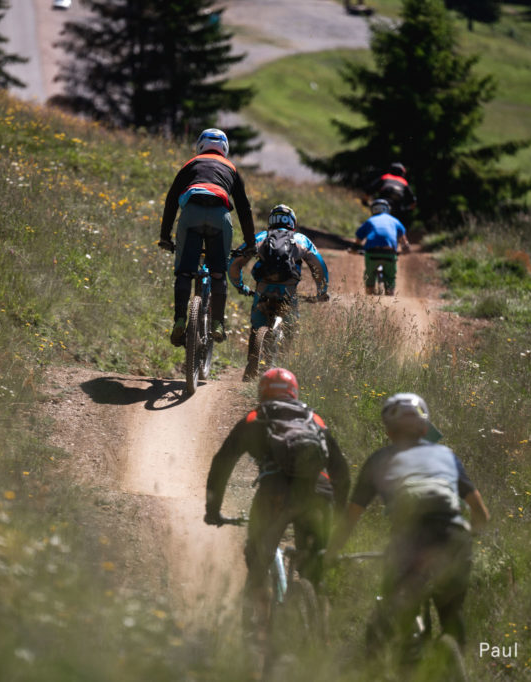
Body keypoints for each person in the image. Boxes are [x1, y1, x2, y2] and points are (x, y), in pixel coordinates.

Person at [326, 392, 489, 662]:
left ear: (389, 431)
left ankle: (381, 667)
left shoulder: (379, 460)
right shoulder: (447, 456)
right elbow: (480, 513)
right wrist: (471, 538)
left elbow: (351, 517)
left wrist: (332, 552)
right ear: (425, 428)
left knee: (390, 614)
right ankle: (454, 658)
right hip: (455, 538)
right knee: (452, 615)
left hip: (410, 540)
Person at [204, 368, 350, 656]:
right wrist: (338, 513)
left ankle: (254, 632)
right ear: (294, 392)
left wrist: (213, 509)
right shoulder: (314, 419)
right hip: (319, 496)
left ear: (262, 392)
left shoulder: (255, 418)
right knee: (316, 568)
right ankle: (322, 641)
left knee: (258, 557)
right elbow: (341, 472)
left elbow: (223, 462)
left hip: (275, 496)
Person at [159, 128, 257, 347]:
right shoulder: (231, 168)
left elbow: (171, 200)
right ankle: (217, 324)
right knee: (218, 273)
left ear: (200, 146)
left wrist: (165, 236)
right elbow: (244, 209)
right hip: (219, 217)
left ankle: (180, 320)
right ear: (225, 149)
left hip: (191, 215)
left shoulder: (190, 164)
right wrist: (251, 244)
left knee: (185, 272)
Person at [228, 204, 329, 380]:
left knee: (256, 326)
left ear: (271, 221)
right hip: (288, 291)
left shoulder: (261, 237)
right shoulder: (301, 239)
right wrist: (321, 291)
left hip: (263, 288)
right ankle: (282, 364)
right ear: (292, 222)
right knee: (291, 326)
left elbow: (235, 263)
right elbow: (319, 266)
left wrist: (239, 285)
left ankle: (251, 367)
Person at [356, 198, 410, 296]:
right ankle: (390, 294)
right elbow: (404, 240)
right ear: (387, 209)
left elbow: (358, 240)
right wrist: (405, 249)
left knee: (369, 276)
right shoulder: (395, 221)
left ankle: (369, 295)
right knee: (390, 277)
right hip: (390, 254)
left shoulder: (369, 221)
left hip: (372, 253)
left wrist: (353, 249)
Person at [365, 161, 417, 226]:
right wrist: (406, 209)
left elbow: (370, 189)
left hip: (383, 202)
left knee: (375, 219)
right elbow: (413, 201)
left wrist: (365, 201)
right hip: (397, 208)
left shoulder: (385, 177)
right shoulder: (404, 182)